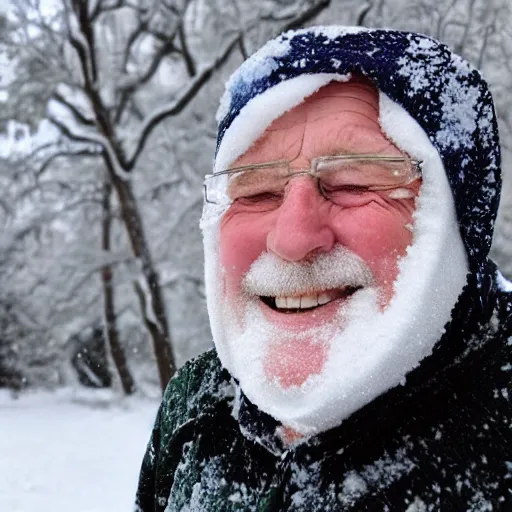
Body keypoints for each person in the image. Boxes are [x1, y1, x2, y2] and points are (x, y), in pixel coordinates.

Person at [135, 26, 512, 511]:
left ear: (458, 224)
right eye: (256, 192)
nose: (292, 240)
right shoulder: (194, 403)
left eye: (355, 182)